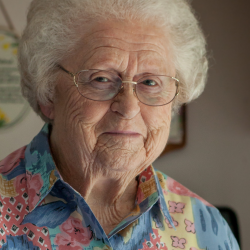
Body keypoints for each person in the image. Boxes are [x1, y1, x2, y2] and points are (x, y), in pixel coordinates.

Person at [0, 0, 240, 249]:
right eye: (101, 78)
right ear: (48, 93)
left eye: (150, 82)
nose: (128, 107)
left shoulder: (208, 231)